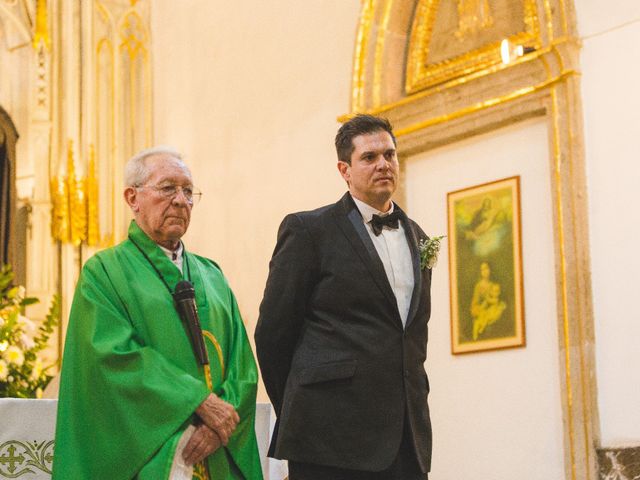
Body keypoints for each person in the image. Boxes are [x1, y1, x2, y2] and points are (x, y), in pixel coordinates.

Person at [52, 147, 263, 479]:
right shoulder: (104, 272)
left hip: (217, 447)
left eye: (188, 191)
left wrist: (221, 421)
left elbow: (242, 365)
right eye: (168, 188)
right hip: (156, 454)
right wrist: (199, 402)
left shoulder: (212, 275)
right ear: (132, 197)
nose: (181, 200)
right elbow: (111, 358)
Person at [255, 114, 433, 479]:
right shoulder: (309, 230)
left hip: (405, 435)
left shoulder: (417, 236)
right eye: (369, 157)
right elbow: (273, 334)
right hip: (328, 437)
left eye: (390, 154)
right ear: (344, 169)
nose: (383, 164)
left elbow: (414, 333)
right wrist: (302, 409)